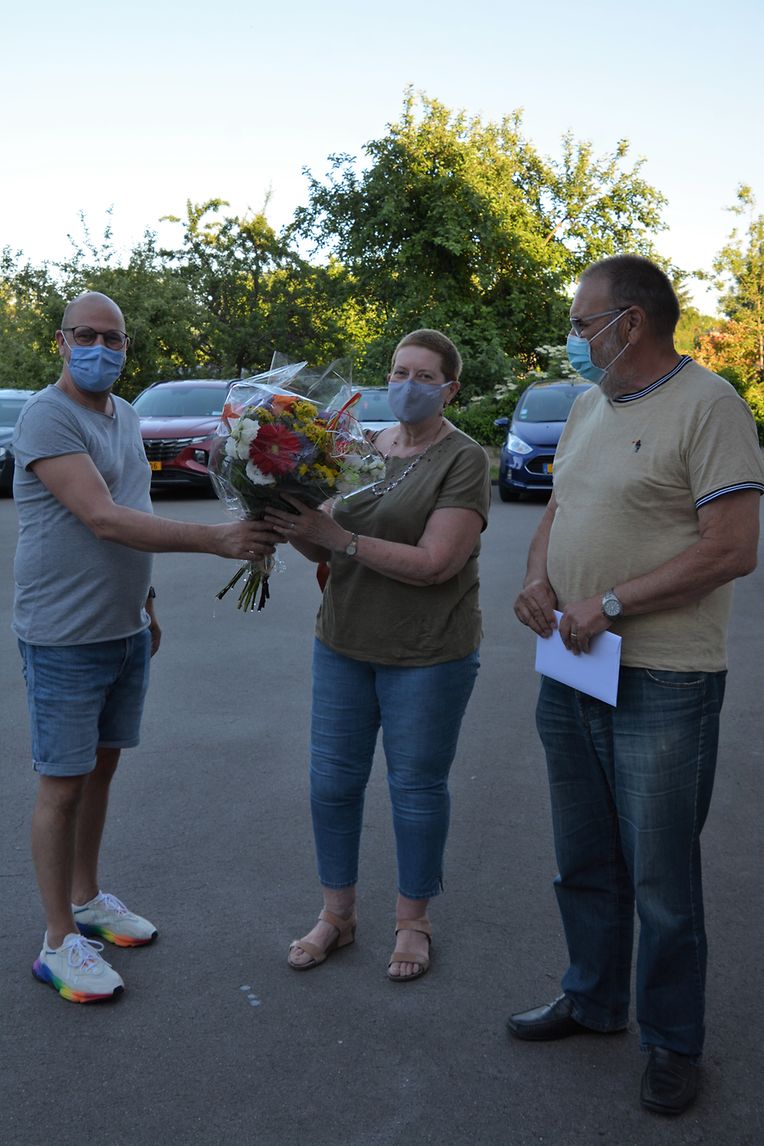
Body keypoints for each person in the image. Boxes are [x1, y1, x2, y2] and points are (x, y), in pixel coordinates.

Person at [508, 256, 764, 1114]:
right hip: (572, 663)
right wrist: (538, 578)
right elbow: (557, 511)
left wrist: (611, 602)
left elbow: (733, 549)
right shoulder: (588, 405)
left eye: (583, 323)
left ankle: (672, 1042)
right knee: (583, 857)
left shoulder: (711, 406)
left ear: (631, 323)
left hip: (665, 677)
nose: (574, 338)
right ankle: (593, 998)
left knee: (660, 877)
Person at [13, 291, 279, 1004]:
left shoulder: (126, 416)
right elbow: (102, 518)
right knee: (62, 784)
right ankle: (56, 941)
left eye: (113, 338)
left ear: (126, 348)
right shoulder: (47, 417)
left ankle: (86, 900)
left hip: (123, 627)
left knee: (100, 772)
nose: (100, 349)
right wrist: (218, 540)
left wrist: (148, 602)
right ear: (61, 341)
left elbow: (137, 507)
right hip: (64, 634)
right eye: (86, 335)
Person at [264, 329, 490, 981]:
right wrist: (282, 512)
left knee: (415, 789)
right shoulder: (357, 446)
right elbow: (321, 542)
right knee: (332, 784)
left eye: (424, 377)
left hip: (428, 652)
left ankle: (412, 921)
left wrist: (341, 539)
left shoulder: (464, 459)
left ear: (450, 389)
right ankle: (337, 915)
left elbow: (438, 562)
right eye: (398, 372)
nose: (406, 386)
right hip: (344, 643)